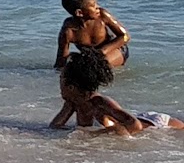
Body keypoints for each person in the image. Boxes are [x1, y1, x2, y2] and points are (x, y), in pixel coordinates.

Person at [50, 48, 183, 134]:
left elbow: (134, 125)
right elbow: (54, 128)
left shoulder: (99, 102)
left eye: (61, 79)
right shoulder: (72, 103)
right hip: (142, 120)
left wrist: (94, 134)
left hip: (155, 124)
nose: (59, 84)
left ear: (71, 87)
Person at [55, 0, 129, 69]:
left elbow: (125, 36)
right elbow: (61, 61)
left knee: (97, 65)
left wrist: (102, 51)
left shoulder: (102, 16)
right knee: (75, 66)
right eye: (93, 5)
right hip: (91, 57)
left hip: (116, 49)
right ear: (80, 13)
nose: (98, 7)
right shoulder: (68, 31)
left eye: (96, 3)